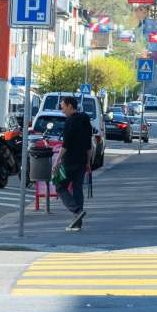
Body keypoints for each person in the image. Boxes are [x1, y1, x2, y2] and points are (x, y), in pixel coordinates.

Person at [58, 97, 98, 231]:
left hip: (69, 161)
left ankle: (76, 211)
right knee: (77, 189)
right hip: (81, 161)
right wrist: (88, 162)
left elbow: (66, 145)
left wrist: (57, 161)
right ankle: (78, 223)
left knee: (60, 186)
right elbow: (89, 145)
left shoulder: (70, 121)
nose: (62, 110)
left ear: (70, 106)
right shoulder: (85, 120)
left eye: (63, 107)